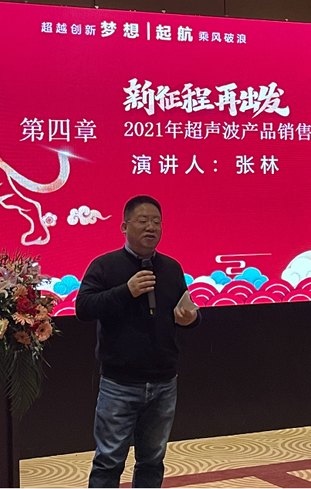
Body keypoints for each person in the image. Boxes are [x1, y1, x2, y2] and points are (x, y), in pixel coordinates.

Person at [76, 195, 200, 488]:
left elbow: (187, 311)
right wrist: (126, 291)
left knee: (152, 460)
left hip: (164, 382)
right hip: (119, 383)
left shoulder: (171, 268)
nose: (151, 227)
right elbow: (84, 309)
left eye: (157, 222)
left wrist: (190, 318)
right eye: (143, 221)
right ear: (124, 226)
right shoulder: (104, 266)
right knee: (109, 461)